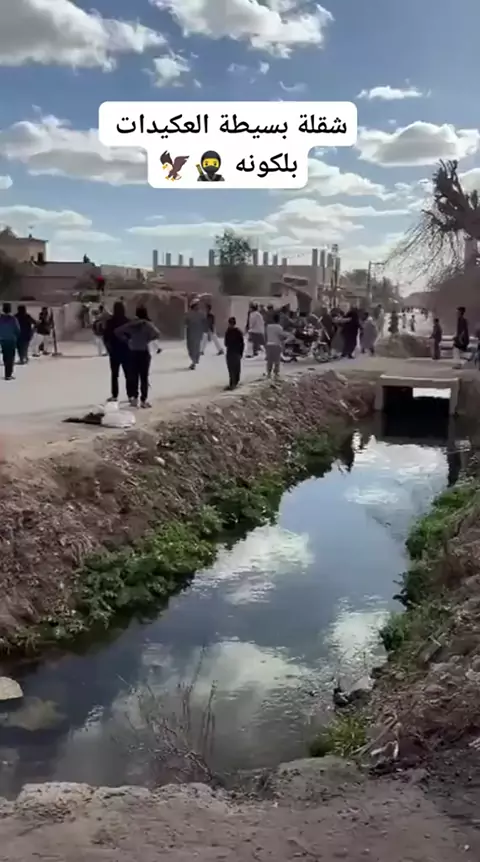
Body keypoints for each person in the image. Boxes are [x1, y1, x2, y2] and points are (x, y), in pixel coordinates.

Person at [115, 306, 161, 408]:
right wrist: (148, 339)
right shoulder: (147, 324)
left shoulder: (132, 324)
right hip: (144, 352)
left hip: (132, 352)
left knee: (133, 376)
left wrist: (127, 340)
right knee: (144, 377)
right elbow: (157, 334)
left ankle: (134, 399)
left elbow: (117, 331)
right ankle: (143, 400)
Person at [102, 301, 133, 402]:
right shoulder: (128, 321)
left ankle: (114, 395)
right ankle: (131, 395)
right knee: (128, 374)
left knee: (114, 375)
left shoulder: (110, 322)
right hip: (126, 351)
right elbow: (131, 336)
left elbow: (105, 337)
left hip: (114, 351)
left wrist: (109, 349)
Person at [0, 302, 20, 380]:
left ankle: (6, 371)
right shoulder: (13, 319)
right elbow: (17, 330)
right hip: (11, 340)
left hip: (3, 339)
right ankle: (8, 374)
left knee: (5, 355)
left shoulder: (0, 319)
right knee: (11, 357)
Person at [224, 316, 244, 390]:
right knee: (236, 368)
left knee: (231, 369)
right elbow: (242, 343)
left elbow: (226, 343)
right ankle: (235, 382)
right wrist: (241, 352)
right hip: (237, 352)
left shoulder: (228, 331)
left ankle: (232, 383)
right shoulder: (238, 332)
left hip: (230, 352)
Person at [185, 298, 205, 369]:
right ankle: (194, 361)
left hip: (197, 333)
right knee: (191, 348)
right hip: (191, 333)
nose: (198, 306)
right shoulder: (189, 314)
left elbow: (204, 323)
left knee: (195, 348)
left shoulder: (201, 314)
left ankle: (194, 362)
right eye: (197, 305)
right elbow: (185, 323)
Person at [265, 312, 286, 380]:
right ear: (279, 320)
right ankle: (276, 374)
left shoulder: (268, 327)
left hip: (269, 344)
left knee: (269, 360)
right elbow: (281, 336)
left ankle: (268, 373)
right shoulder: (279, 327)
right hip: (276, 345)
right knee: (277, 360)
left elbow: (265, 336)